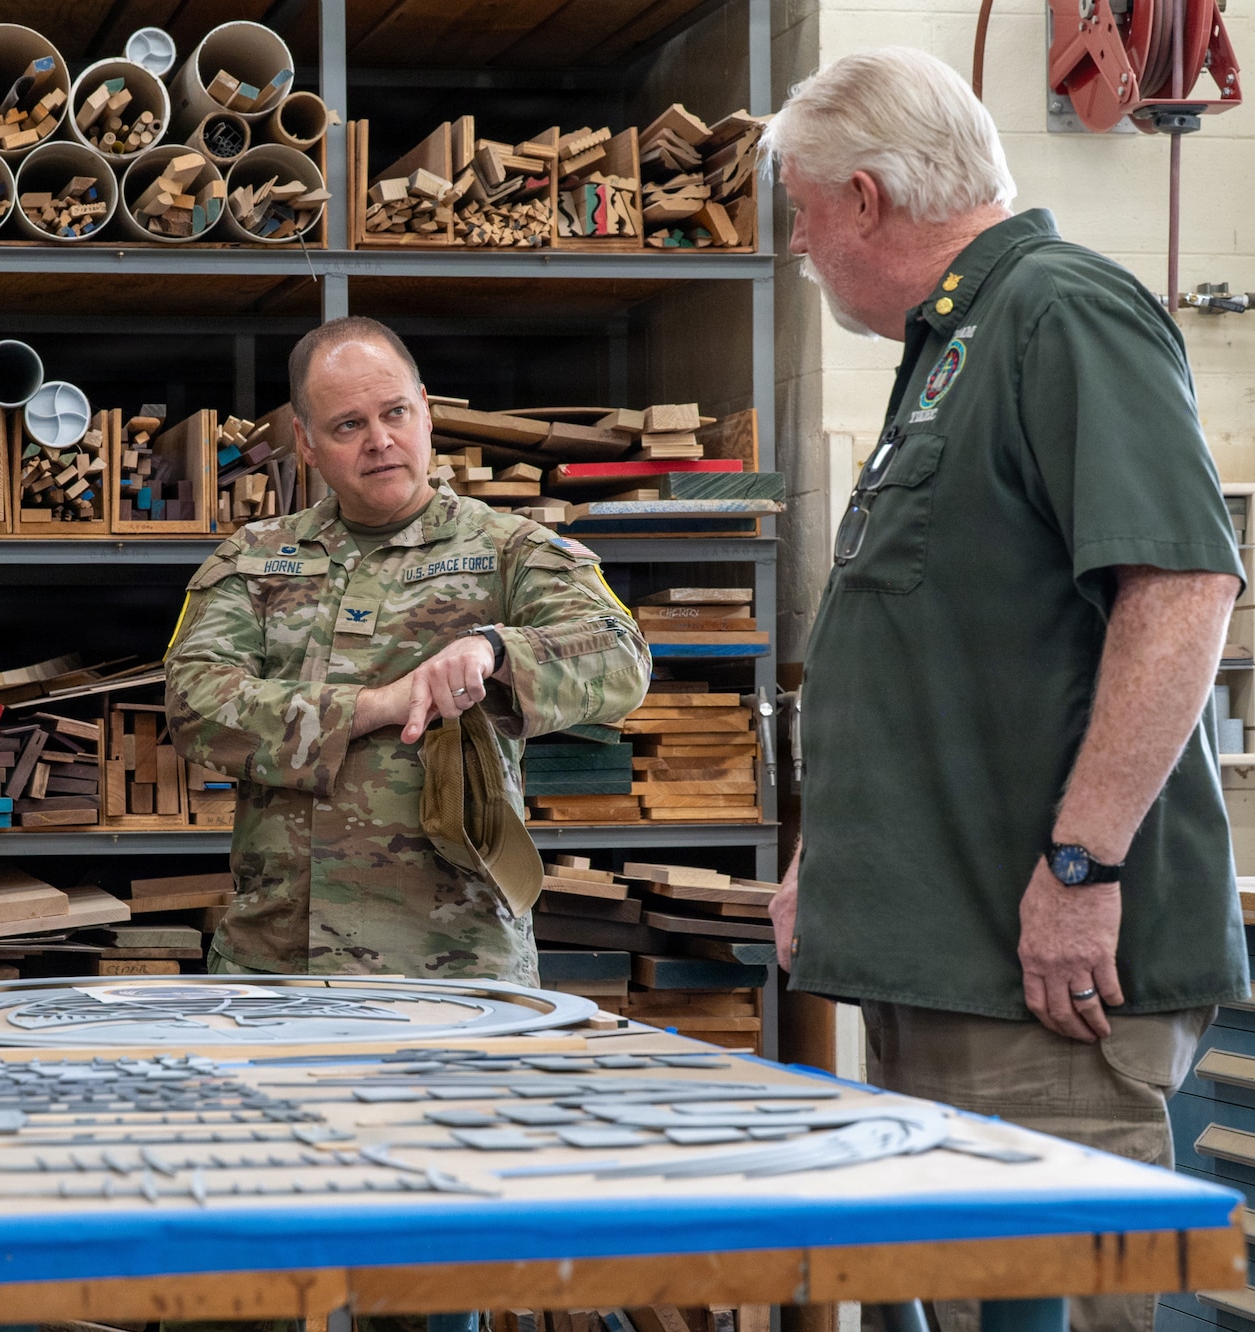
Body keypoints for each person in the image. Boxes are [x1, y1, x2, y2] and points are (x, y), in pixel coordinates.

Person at [762, 48, 1246, 1332]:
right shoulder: (953, 346)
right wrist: (838, 862)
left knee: (1045, 1298)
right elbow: (933, 644)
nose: (803, 249)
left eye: (805, 220)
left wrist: (1082, 870)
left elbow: (1181, 588)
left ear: (864, 198)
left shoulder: (1057, 311)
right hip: (954, 950)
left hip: (1039, 970)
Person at [164, 317, 650, 984]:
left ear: (425, 408)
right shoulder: (253, 561)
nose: (380, 440)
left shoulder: (510, 550)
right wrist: (372, 706)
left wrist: (494, 649)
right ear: (305, 443)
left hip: (461, 959)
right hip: (278, 960)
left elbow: (622, 659)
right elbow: (193, 704)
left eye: (395, 412)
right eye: (348, 426)